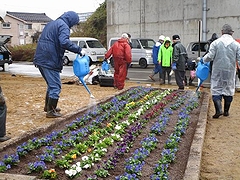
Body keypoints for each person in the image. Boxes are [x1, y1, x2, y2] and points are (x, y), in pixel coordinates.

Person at [33, 11, 84, 118]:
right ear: (72, 20)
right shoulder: (64, 26)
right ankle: (51, 112)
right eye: (74, 23)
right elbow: (64, 42)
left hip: (41, 58)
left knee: (51, 85)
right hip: (50, 59)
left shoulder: (52, 23)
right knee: (55, 86)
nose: (73, 25)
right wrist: (79, 49)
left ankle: (48, 107)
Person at [202, 24, 240, 118]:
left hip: (217, 70)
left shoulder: (215, 43)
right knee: (229, 89)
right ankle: (226, 111)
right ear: (232, 32)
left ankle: (218, 110)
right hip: (230, 70)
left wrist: (203, 59)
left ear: (222, 31)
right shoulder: (236, 45)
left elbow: (210, 56)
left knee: (216, 89)